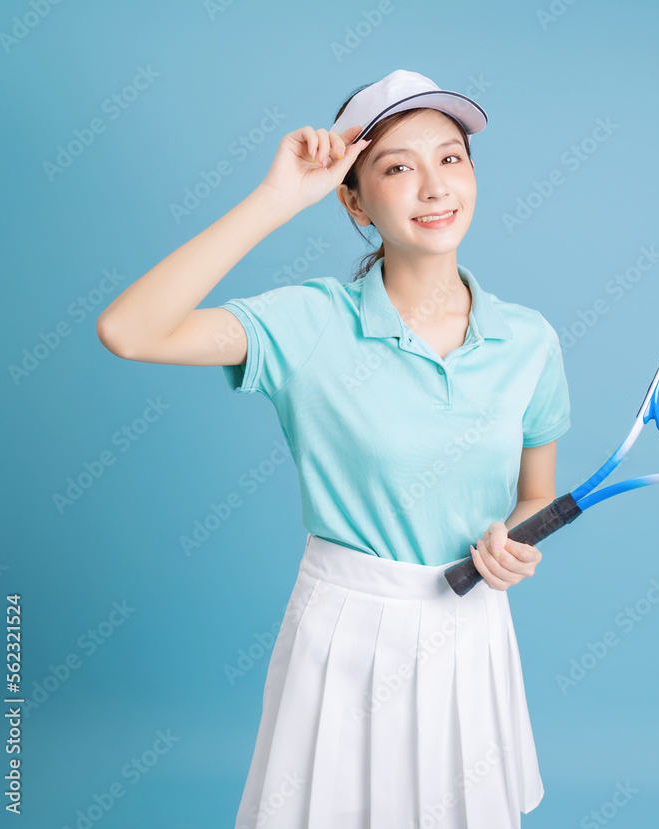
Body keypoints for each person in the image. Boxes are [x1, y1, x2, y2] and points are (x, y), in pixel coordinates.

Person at [96, 69, 571, 827]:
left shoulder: (530, 339)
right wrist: (276, 200)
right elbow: (129, 330)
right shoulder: (306, 323)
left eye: (451, 158)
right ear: (353, 199)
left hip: (472, 628)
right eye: (396, 167)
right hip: (344, 633)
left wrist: (513, 543)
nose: (433, 187)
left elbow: (536, 493)